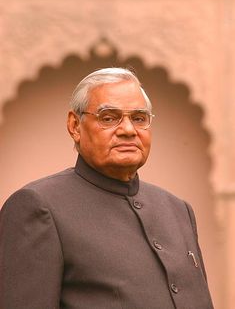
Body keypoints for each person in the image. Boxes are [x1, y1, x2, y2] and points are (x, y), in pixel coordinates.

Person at [0, 67, 214, 309]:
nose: (128, 130)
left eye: (139, 118)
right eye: (109, 118)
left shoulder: (177, 210)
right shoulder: (39, 206)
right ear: (75, 126)